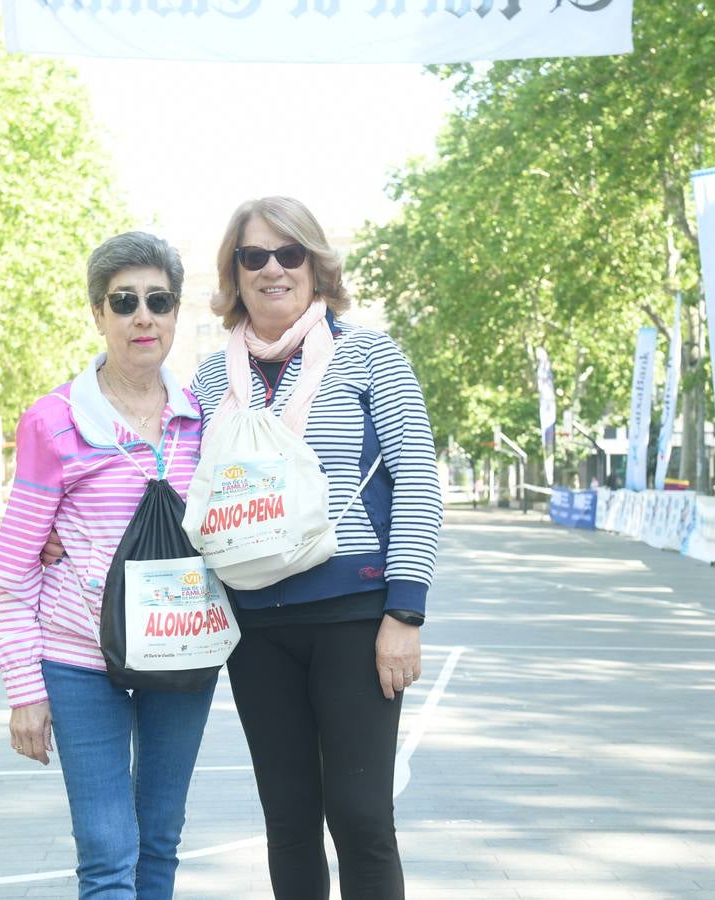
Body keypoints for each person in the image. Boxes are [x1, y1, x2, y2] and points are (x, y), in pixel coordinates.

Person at [192, 197, 443, 898]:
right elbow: (173, 483)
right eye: (254, 256)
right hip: (255, 628)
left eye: (289, 253)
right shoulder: (213, 379)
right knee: (289, 821)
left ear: (316, 264)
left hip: (354, 619)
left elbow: (419, 481)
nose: (273, 268)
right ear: (234, 273)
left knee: (361, 817)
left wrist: (406, 614)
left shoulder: (369, 355)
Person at [0, 232, 213, 898]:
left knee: (161, 839)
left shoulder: (205, 419)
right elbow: (11, 568)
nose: (143, 316)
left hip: (183, 654)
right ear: (98, 314)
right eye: (124, 302)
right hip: (80, 662)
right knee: (109, 850)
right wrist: (24, 690)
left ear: (175, 313)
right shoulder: (53, 422)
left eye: (158, 301)